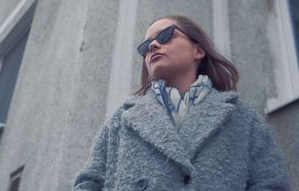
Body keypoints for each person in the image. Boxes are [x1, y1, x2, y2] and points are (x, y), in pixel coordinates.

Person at [73, 14, 291, 190]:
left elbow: (273, 184)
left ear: (198, 50)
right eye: (145, 46)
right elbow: (88, 183)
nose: (153, 46)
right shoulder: (122, 119)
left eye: (165, 35)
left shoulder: (242, 118)